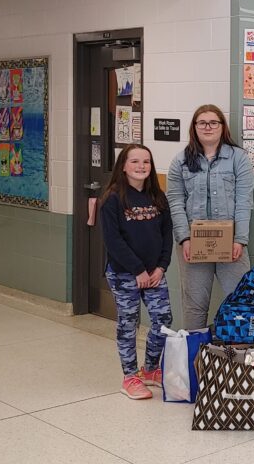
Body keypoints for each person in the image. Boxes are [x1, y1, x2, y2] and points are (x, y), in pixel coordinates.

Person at [167, 105, 254, 330]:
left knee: (241, 302)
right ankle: (194, 359)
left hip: (232, 242)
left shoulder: (238, 158)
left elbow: (244, 200)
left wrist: (240, 240)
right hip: (193, 243)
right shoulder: (180, 162)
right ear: (194, 127)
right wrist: (184, 239)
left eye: (213, 122)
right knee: (194, 306)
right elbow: (175, 202)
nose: (208, 127)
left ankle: (239, 358)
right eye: (202, 123)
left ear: (222, 127)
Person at [99, 144, 173, 400]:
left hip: (155, 274)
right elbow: (113, 241)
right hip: (124, 274)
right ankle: (129, 377)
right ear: (123, 165)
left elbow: (166, 236)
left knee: (163, 320)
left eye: (146, 162)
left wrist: (161, 267)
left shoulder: (158, 198)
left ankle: (151, 369)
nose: (141, 166)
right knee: (129, 324)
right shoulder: (112, 199)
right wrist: (138, 270)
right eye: (135, 162)